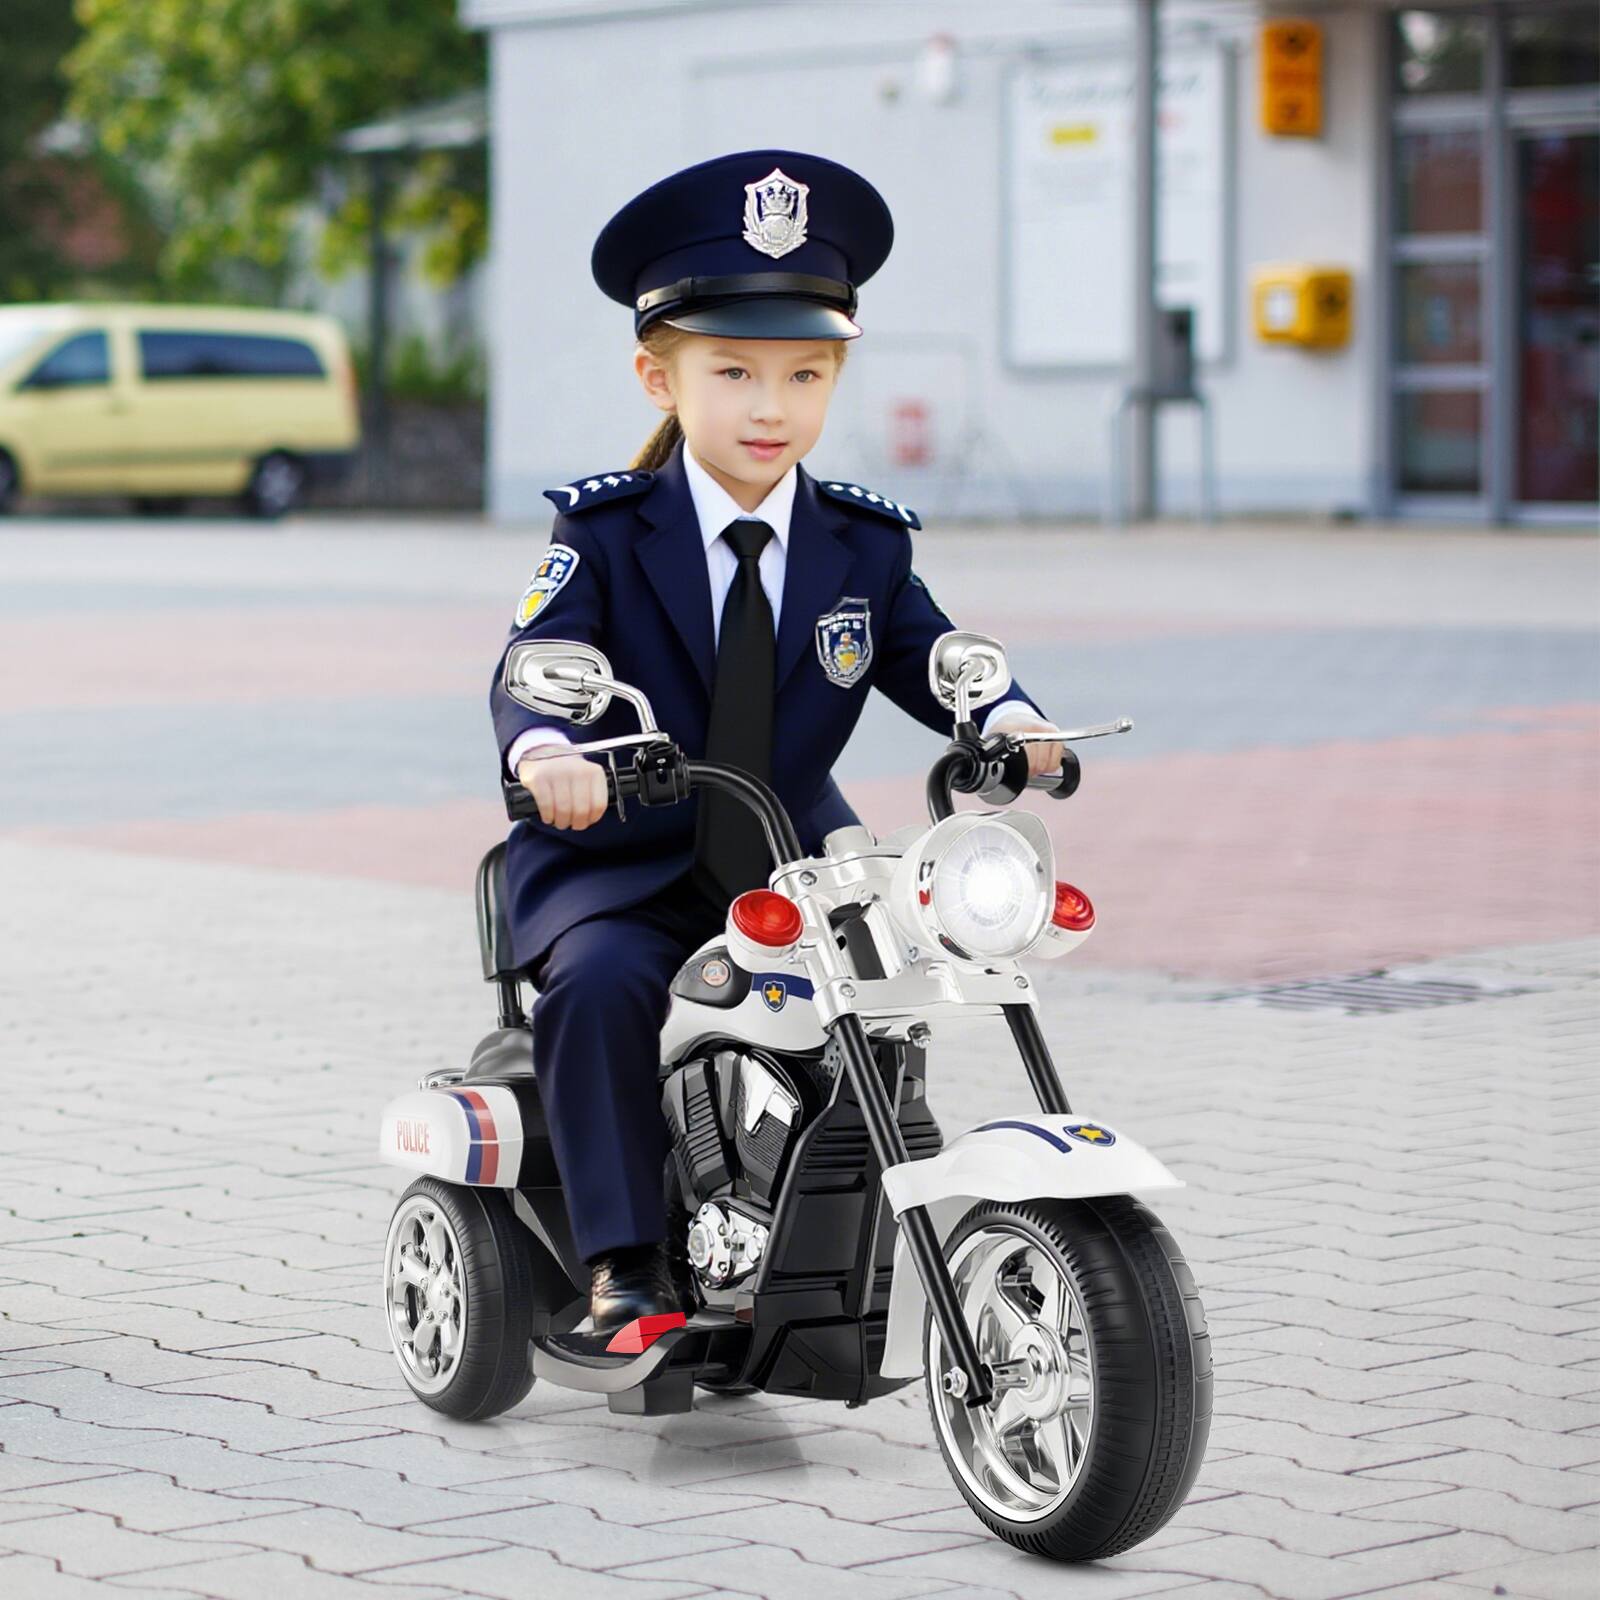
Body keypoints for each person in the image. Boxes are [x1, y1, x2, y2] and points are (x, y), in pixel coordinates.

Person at [489, 149, 1063, 1336]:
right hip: (622, 862)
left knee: (895, 999)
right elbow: (536, 660)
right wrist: (549, 748)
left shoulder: (861, 546)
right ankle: (623, 1264)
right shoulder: (603, 530)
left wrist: (1011, 725)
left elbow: (934, 655)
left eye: (805, 374)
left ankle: (836, 1219)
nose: (770, 406)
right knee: (597, 995)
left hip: (794, 864)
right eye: (734, 371)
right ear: (658, 376)